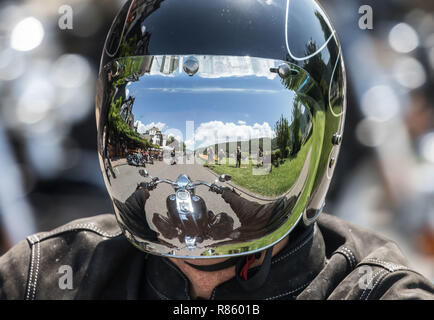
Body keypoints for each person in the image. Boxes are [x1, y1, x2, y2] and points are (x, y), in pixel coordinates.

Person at [1, 0, 433, 301]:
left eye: (249, 122)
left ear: (322, 140)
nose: (189, 166)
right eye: (163, 116)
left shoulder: (371, 291)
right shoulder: (48, 275)